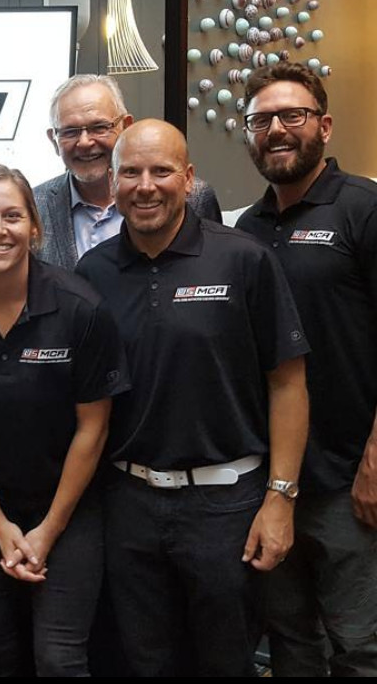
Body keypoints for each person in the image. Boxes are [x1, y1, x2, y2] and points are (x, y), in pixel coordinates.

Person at [74, 119, 310, 676]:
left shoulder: (243, 259)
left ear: (188, 177)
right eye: (130, 172)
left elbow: (289, 382)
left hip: (227, 503)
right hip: (129, 501)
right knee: (146, 661)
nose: (146, 185)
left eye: (161, 171)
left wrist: (281, 497)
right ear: (113, 180)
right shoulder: (92, 273)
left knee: (226, 662)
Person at [0, 163, 130, 675]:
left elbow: (93, 429)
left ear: (35, 227)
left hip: (69, 505)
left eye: (12, 216)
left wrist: (46, 532)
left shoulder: (81, 308)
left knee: (58, 657)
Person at [236, 62, 377, 677]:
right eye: (261, 119)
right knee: (289, 641)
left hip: (350, 480)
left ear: (323, 125)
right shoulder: (244, 229)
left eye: (291, 116)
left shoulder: (364, 209)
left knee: (360, 647)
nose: (276, 130)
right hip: (269, 481)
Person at [35, 74, 221, 270]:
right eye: (70, 131)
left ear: (126, 126)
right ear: (53, 139)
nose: (84, 142)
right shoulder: (35, 206)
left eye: (99, 127)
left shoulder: (193, 197)